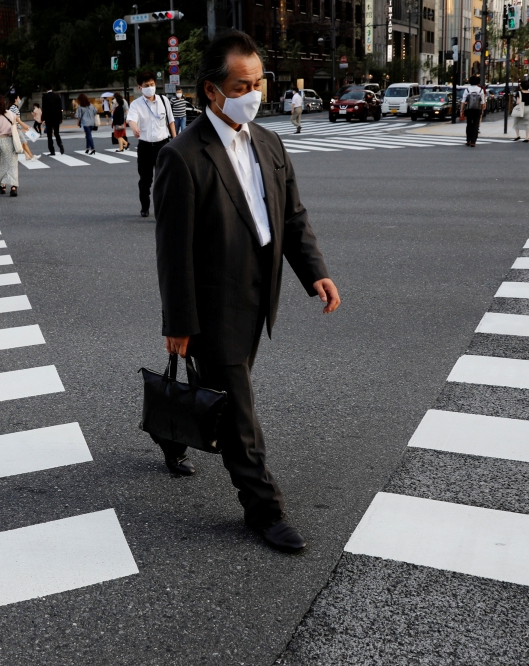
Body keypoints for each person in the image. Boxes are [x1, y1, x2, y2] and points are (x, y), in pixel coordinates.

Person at [153, 30, 341, 554]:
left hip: (263, 292)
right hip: (214, 305)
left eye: (259, 82)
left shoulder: (268, 141)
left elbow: (291, 216)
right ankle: (264, 509)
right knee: (239, 409)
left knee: (216, 391)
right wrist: (179, 322)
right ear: (212, 91)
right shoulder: (182, 156)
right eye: (242, 84)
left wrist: (315, 272)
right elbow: (173, 251)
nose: (254, 93)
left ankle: (169, 430)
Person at [127, 71, 177, 217]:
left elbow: (171, 121)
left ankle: (161, 209)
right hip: (145, 147)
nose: (150, 87)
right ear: (140, 87)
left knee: (163, 180)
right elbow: (132, 120)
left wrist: (175, 139)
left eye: (152, 84)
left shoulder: (164, 101)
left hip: (163, 145)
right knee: (145, 180)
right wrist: (135, 128)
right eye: (146, 85)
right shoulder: (136, 104)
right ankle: (145, 206)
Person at [461, 75, 485, 147]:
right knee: (475, 125)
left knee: (469, 124)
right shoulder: (480, 90)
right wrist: (482, 110)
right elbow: (482, 102)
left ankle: (468, 140)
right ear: (478, 82)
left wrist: (461, 110)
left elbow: (463, 101)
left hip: (469, 109)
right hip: (477, 110)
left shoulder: (467, 90)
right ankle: (473, 142)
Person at [42, 84, 64, 155]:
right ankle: (60, 144)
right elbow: (60, 108)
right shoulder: (57, 96)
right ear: (52, 88)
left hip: (48, 118)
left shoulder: (44, 97)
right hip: (56, 117)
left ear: (46, 89)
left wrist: (43, 118)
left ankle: (52, 150)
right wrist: (60, 118)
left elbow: (44, 109)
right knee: (56, 133)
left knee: (49, 135)